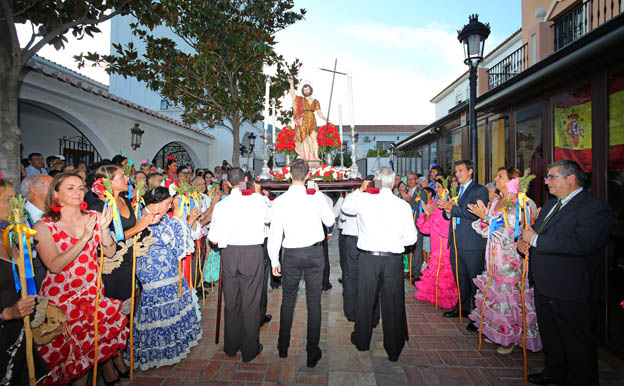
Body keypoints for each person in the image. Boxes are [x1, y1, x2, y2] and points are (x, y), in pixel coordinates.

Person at [519, 160, 613, 386]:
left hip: (571, 288)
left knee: (577, 341)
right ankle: (554, 371)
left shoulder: (594, 208)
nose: (547, 181)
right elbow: (537, 235)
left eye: (552, 177)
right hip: (545, 284)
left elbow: (583, 244)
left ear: (571, 179)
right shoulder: (552, 205)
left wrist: (536, 240)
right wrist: (525, 245)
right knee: (551, 335)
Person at [33, 173, 127, 386]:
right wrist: (84, 238)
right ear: (55, 194)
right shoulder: (44, 226)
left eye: (80, 187)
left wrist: (103, 230)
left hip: (92, 294)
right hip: (63, 301)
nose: (77, 192)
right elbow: (55, 265)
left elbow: (110, 252)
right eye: (70, 188)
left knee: (89, 356)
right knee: (70, 361)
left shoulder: (93, 216)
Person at [342, 167, 418, 362]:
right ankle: (393, 349)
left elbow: (346, 207)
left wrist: (361, 189)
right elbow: (410, 239)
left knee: (365, 301)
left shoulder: (365, 200)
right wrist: (393, 241)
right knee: (393, 304)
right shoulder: (401, 206)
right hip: (392, 259)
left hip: (368, 258)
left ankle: (362, 340)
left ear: (375, 182)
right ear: (393, 183)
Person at [467, 167, 541, 355]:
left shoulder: (521, 204)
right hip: (492, 256)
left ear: (512, 182)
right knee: (493, 294)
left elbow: (511, 233)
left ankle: (511, 336)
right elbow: (487, 230)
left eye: (500, 176)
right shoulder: (496, 202)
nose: (495, 179)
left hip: (510, 258)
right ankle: (495, 331)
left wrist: (486, 219)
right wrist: (485, 219)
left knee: (508, 296)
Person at [268, 159, 334, 367]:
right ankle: (312, 352)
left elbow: (274, 233)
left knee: (288, 300)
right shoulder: (317, 198)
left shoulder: (279, 202)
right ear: (307, 176)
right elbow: (331, 222)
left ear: (289, 175)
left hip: (291, 255)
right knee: (314, 302)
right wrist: (320, 195)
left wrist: (274, 260)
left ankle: (283, 346)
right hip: (314, 254)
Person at [128, 187, 202, 370]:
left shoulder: (161, 216)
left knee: (174, 300)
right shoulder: (142, 215)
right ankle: (154, 350)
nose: (170, 206)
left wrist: (185, 220)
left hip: (168, 267)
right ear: (157, 203)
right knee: (157, 304)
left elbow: (176, 238)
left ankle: (175, 344)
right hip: (152, 270)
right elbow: (165, 237)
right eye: (168, 203)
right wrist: (179, 216)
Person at [208, 168, 269, 362]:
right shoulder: (258, 201)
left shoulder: (222, 205)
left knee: (232, 301)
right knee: (250, 302)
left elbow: (214, 240)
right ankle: (249, 349)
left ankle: (231, 346)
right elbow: (269, 219)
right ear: (245, 179)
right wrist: (256, 192)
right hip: (252, 253)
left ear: (226, 182)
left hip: (231, 254)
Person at [0, 176, 50, 385]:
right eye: (7, 199)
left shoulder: (7, 234)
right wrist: (7, 313)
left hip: (19, 328)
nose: (14, 205)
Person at [88, 165, 157, 302]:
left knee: (130, 306)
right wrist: (137, 228)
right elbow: (105, 241)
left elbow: (134, 226)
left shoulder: (125, 200)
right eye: (122, 176)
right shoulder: (98, 207)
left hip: (129, 261)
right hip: (112, 266)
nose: (127, 178)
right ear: (108, 182)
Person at [438, 160, 489, 326]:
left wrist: (451, 208)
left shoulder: (479, 190)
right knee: (460, 278)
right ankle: (463, 306)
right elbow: (452, 213)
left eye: (461, 171)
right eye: (456, 171)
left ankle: (479, 315)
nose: (457, 174)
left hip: (472, 243)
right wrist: (447, 210)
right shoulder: (458, 190)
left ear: (470, 171)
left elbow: (474, 212)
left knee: (475, 279)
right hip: (456, 240)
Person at [414, 178, 458, 309]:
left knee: (445, 269)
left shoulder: (451, 203)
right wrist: (427, 214)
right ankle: (434, 295)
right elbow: (424, 229)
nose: (436, 190)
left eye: (439, 187)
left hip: (445, 243)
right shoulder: (433, 203)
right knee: (434, 267)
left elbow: (447, 229)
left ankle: (446, 297)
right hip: (434, 242)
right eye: (436, 187)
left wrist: (436, 212)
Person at [22, 174, 53, 290]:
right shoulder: (20, 218)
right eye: (51, 187)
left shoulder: (57, 212)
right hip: (35, 271)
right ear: (34, 190)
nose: (55, 191)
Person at [288, 76, 328, 161]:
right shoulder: (300, 99)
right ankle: (306, 157)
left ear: (311, 90)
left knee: (314, 138)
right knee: (305, 139)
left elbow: (319, 112)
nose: (306, 91)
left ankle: (316, 156)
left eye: (308, 89)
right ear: (303, 91)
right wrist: (291, 84)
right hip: (302, 119)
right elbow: (292, 94)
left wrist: (326, 119)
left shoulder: (315, 101)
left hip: (312, 119)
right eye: (304, 90)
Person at [405, 172, 428, 284]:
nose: (410, 181)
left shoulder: (421, 192)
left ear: (417, 180)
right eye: (408, 179)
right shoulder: (405, 192)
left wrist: (410, 201)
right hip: (407, 224)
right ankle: (410, 270)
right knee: (409, 248)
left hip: (416, 224)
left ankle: (416, 273)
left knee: (417, 250)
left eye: (412, 179)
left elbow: (421, 209)